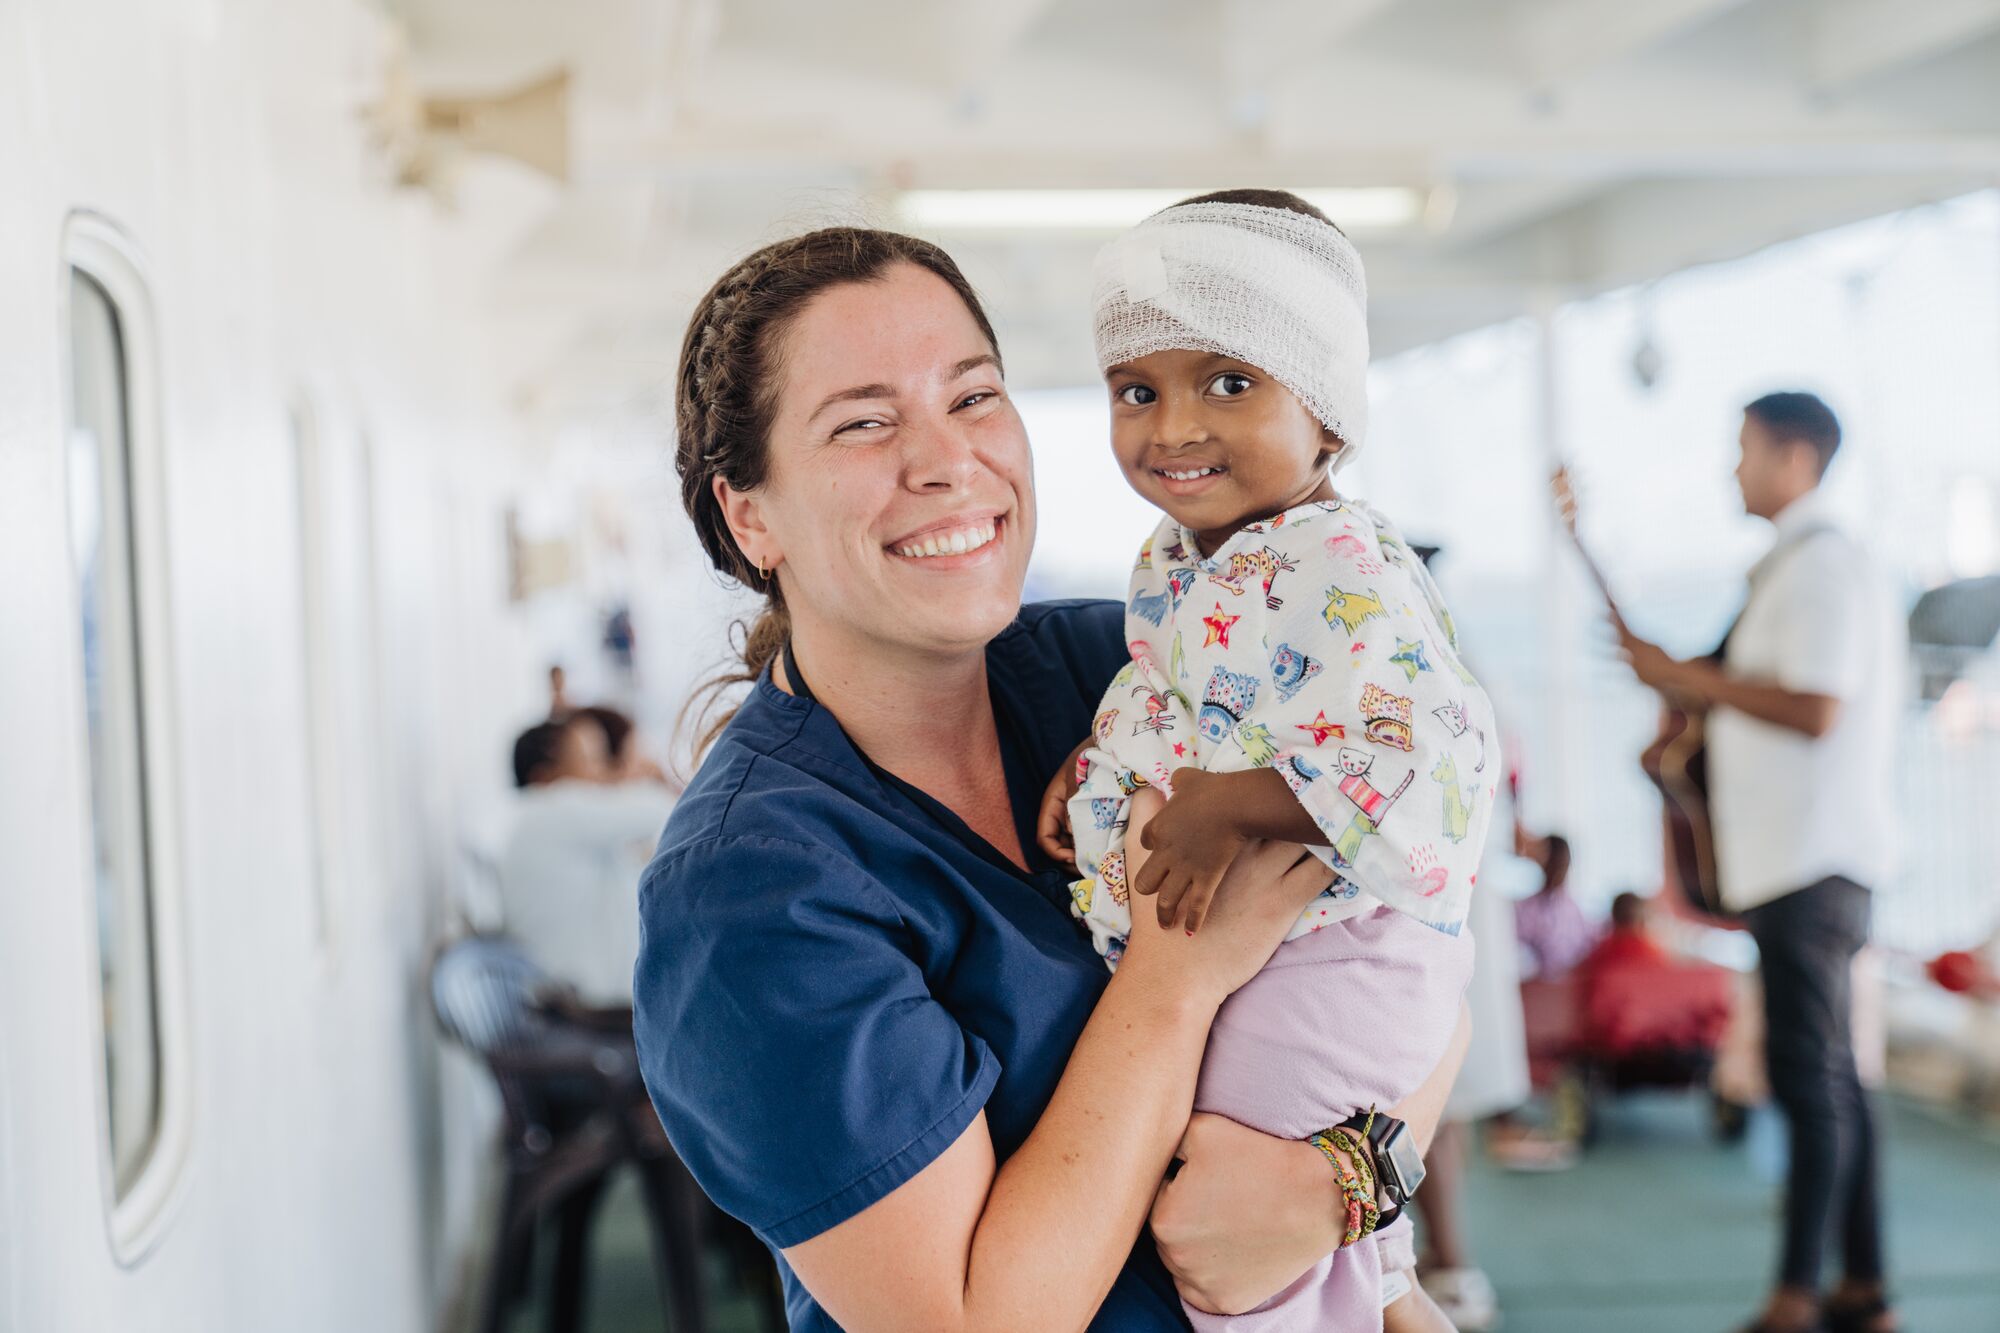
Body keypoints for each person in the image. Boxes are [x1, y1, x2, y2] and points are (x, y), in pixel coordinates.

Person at [633, 227, 1470, 1333]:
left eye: (973, 397)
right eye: (864, 422)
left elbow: (1418, 946)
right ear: (750, 514)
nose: (946, 460)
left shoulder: (1122, 665)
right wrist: (1173, 981)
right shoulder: (746, 894)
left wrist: (1344, 1184)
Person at [1037, 190, 1492, 1332]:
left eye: (1229, 382)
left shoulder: (1342, 560)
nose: (1173, 427)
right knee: (1361, 1271)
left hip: (1338, 960)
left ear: (1327, 417)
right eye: (1137, 390)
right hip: (1288, 959)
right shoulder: (1190, 551)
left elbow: (1433, 756)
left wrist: (1239, 806)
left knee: (1236, 1240)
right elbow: (1195, 697)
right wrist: (1097, 764)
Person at [1616, 391, 1904, 1333]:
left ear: (1794, 458)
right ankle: (1861, 1287)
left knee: (1809, 1075)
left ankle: (1797, 1294)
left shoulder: (1821, 566)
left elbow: (1815, 705)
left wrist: (1687, 679)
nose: (1732, 468)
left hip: (1810, 859)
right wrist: (1682, 676)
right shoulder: (1802, 564)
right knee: (1837, 1076)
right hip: (1805, 858)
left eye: (1744, 449)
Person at [499, 715, 675, 1005]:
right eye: (591, 760)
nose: (605, 773)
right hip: (580, 1006)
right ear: (544, 778)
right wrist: (642, 779)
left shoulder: (541, 827)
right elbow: (661, 808)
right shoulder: (549, 811)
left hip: (569, 999)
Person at [1512, 833, 1599, 979]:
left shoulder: (1536, 909)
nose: (1532, 849)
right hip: (1560, 984)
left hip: (1545, 984)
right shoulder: (1571, 906)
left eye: (1540, 848)